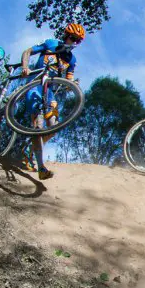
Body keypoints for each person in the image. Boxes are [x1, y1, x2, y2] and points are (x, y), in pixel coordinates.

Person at [19, 23, 85, 180]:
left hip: (49, 93)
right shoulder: (51, 43)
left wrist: (73, 85)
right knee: (38, 125)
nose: (73, 42)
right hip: (34, 86)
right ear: (66, 36)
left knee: (54, 127)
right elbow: (27, 51)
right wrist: (25, 67)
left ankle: (30, 148)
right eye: (72, 38)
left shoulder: (72, 59)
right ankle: (41, 167)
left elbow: (68, 81)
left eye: (77, 40)